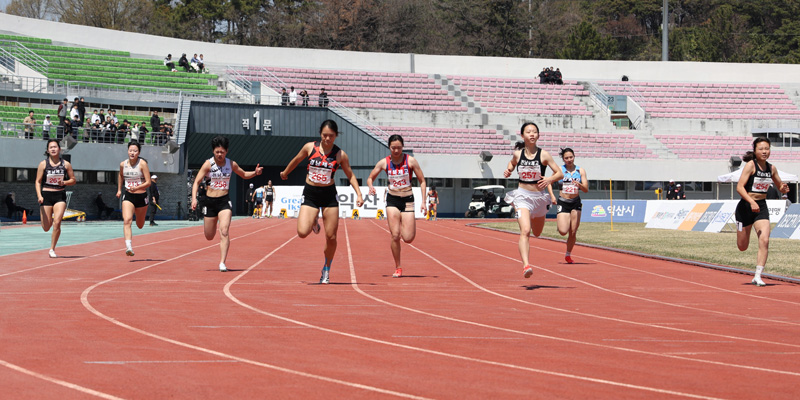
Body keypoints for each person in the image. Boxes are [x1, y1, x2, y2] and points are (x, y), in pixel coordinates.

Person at [280, 119, 364, 284]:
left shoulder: (340, 155)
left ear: (336, 136)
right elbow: (297, 160)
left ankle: (326, 268)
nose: (327, 139)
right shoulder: (309, 147)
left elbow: (350, 175)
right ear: (320, 134)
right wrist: (285, 172)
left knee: (331, 237)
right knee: (302, 232)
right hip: (311, 193)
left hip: (329, 195)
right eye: (325, 135)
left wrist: (359, 194)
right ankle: (313, 223)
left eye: (331, 136)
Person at [191, 135, 263, 272]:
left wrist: (255, 172)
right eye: (217, 152)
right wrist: (194, 199)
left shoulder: (231, 164)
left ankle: (222, 262)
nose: (220, 155)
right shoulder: (208, 164)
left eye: (222, 152)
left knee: (224, 231)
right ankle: (212, 235)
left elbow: (243, 174)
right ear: (213, 151)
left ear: (227, 151)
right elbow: (196, 182)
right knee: (209, 236)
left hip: (224, 201)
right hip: (209, 202)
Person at [503, 122, 563, 279]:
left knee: (537, 232)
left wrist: (549, 179)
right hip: (522, 196)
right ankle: (526, 265)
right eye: (528, 132)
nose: (532, 134)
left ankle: (537, 215)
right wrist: (509, 170)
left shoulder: (544, 155)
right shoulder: (518, 154)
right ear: (522, 136)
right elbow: (512, 162)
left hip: (539, 198)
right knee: (525, 231)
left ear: (538, 135)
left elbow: (559, 173)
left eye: (535, 132)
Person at [366, 134, 426, 278]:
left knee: (408, 238)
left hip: (407, 200)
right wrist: (370, 186)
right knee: (395, 235)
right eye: (393, 148)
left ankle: (403, 223)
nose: (396, 150)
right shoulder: (384, 162)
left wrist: (423, 201)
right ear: (389, 147)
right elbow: (370, 177)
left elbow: (422, 181)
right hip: (392, 200)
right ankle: (398, 267)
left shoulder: (410, 161)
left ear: (402, 147)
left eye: (399, 147)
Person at [735, 137, 789, 286]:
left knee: (764, 239)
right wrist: (751, 201)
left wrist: (783, 188)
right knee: (742, 247)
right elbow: (739, 187)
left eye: (767, 148)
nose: (764, 152)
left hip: (761, 208)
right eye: (761, 149)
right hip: (745, 208)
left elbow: (780, 185)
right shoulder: (750, 166)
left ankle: (758, 275)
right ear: (755, 150)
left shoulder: (772, 169)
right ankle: (741, 228)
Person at [34, 139, 77, 258]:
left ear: (59, 149)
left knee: (57, 222)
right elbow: (37, 182)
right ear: (47, 150)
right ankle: (47, 219)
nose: (53, 149)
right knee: (46, 227)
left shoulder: (66, 164)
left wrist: (64, 182)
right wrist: (39, 196)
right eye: (51, 147)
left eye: (55, 147)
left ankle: (52, 249)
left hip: (60, 195)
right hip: (46, 195)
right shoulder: (43, 164)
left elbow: (73, 180)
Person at [547, 148, 588, 264]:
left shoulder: (580, 171)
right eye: (566, 158)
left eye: (571, 157)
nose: (569, 160)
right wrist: (552, 196)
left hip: (575, 202)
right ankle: (562, 222)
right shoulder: (560, 170)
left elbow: (586, 189)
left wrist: (579, 184)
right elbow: (549, 182)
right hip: (563, 202)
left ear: (574, 157)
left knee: (573, 231)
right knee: (563, 231)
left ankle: (568, 254)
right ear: (563, 159)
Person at [116, 141, 152, 256]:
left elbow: (148, 182)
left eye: (135, 151)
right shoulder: (123, 164)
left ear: (139, 152)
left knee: (140, 225)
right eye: (130, 150)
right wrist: (119, 190)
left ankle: (139, 215)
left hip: (141, 196)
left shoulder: (142, 164)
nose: (132, 153)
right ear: (127, 151)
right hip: (129, 195)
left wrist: (137, 187)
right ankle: (129, 247)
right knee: (127, 220)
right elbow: (121, 175)